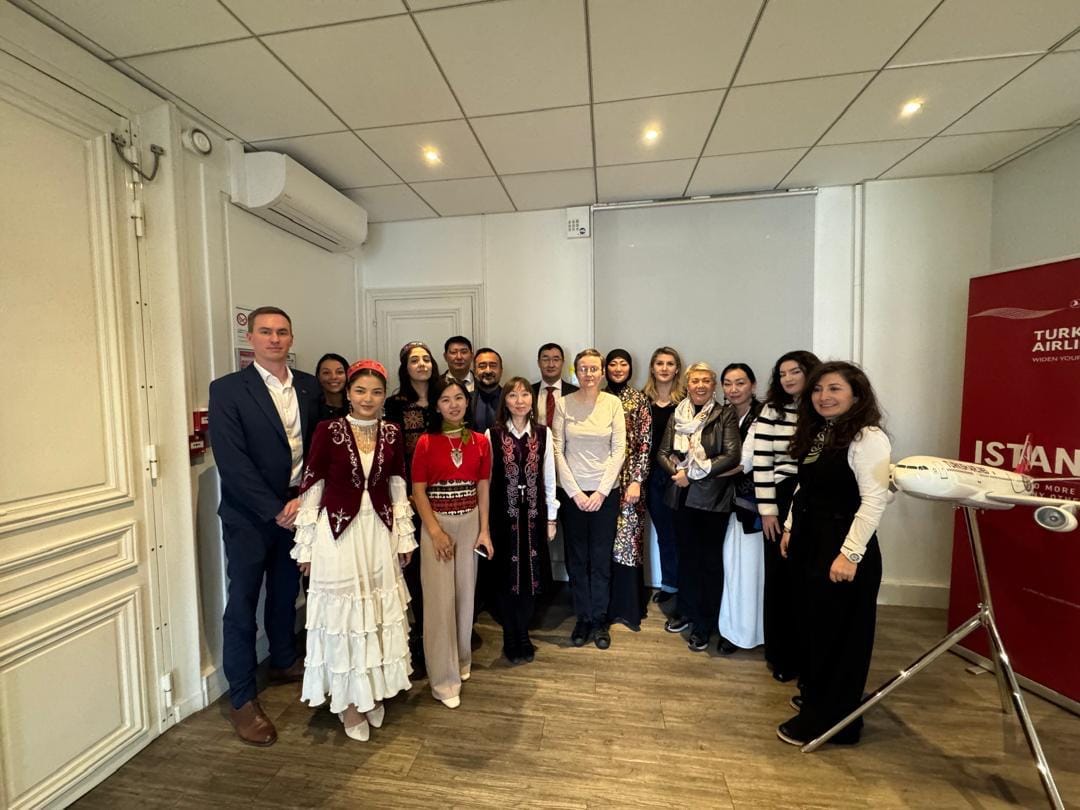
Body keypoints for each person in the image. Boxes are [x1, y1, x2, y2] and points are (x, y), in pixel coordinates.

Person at [208, 306, 320, 746]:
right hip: (250, 517)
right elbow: (232, 461)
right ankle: (241, 698)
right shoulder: (227, 390)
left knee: (285, 591)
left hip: (298, 507)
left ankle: (283, 659)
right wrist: (275, 509)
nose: (275, 339)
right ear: (250, 338)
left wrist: (303, 500)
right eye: (266, 332)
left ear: (291, 338)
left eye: (282, 332)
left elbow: (318, 449)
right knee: (242, 602)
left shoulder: (308, 386)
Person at [290, 360, 415, 742]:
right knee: (345, 619)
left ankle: (370, 691)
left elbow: (397, 484)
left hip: (378, 531)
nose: (368, 399)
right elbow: (313, 484)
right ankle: (348, 703)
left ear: (384, 396)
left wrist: (403, 537)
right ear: (347, 393)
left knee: (374, 614)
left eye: (376, 392)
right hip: (338, 533)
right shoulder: (328, 431)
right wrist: (305, 545)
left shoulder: (392, 432)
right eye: (360, 391)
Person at [776, 361, 891, 746]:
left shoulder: (867, 437)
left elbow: (874, 501)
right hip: (811, 542)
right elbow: (804, 487)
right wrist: (790, 526)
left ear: (856, 395)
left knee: (840, 637)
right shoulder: (822, 432)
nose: (823, 396)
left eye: (834, 389)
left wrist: (850, 555)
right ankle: (817, 700)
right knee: (814, 627)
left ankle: (835, 722)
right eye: (817, 389)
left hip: (841, 546)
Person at [411, 378, 493, 708]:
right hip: (438, 524)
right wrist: (435, 532)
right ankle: (443, 681)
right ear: (436, 405)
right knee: (439, 602)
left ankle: (461, 660)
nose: (454, 404)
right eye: (445, 399)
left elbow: (483, 487)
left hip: (470, 522)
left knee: (464, 597)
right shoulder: (425, 442)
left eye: (459, 397)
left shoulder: (480, 442)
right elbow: (418, 491)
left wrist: (484, 530)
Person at [656, 362, 741, 652]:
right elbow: (663, 452)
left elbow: (731, 456)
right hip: (680, 498)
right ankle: (686, 611)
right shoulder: (678, 414)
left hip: (711, 500)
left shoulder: (724, 414)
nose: (700, 385)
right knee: (686, 558)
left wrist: (690, 474)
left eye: (706, 380)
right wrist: (677, 473)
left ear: (713, 385)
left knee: (709, 563)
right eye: (695, 381)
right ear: (687, 385)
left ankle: (705, 624)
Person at [552, 349, 626, 649]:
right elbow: (557, 449)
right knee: (577, 558)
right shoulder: (563, 403)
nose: (589, 374)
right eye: (583, 369)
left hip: (605, 494)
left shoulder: (613, 403)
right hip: (573, 495)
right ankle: (582, 617)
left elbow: (619, 449)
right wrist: (575, 492)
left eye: (594, 368)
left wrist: (600, 492)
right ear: (576, 372)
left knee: (600, 559)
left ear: (602, 372)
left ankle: (599, 619)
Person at [754, 350, 821, 682]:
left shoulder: (822, 409)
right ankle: (781, 654)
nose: (788, 378)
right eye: (782, 374)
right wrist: (767, 510)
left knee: (809, 579)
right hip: (780, 497)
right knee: (780, 578)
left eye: (795, 371)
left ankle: (809, 653)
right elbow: (762, 461)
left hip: (815, 497)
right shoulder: (773, 409)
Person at [485, 377, 558, 663]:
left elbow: (549, 477)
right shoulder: (492, 435)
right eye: (513, 395)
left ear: (532, 400)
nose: (519, 401)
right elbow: (486, 481)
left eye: (525, 395)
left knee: (530, 578)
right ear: (505, 401)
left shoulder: (543, 433)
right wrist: (485, 525)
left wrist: (551, 518)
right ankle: (509, 634)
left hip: (534, 518)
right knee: (505, 577)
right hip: (503, 519)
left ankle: (524, 632)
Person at [384, 341, 440, 678]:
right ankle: (418, 636)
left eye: (426, 359)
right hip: (411, 497)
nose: (422, 364)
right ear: (405, 368)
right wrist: (403, 494)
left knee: (443, 564)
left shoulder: (446, 396)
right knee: (416, 567)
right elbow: (393, 454)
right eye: (414, 360)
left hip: (448, 494)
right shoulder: (395, 405)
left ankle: (444, 632)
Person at [716, 363, 765, 655]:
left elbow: (742, 463)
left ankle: (749, 632)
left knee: (750, 569)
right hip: (722, 503)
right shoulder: (721, 415)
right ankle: (732, 628)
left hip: (754, 505)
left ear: (753, 385)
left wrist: (699, 473)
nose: (733, 389)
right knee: (730, 566)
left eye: (740, 383)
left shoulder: (764, 416)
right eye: (728, 383)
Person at [604, 349, 652, 631]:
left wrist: (637, 480)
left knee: (629, 542)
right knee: (605, 541)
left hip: (631, 481)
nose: (618, 368)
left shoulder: (639, 399)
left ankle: (628, 608)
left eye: (623, 364)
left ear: (630, 368)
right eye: (613, 364)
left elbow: (645, 443)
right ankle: (606, 606)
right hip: (603, 481)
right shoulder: (598, 396)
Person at [643, 347, 685, 604]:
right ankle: (669, 584)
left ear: (677, 369)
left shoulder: (685, 401)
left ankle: (685, 584)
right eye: (660, 363)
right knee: (665, 532)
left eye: (670, 363)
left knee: (682, 532)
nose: (665, 368)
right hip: (651, 476)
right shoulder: (642, 400)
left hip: (678, 475)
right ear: (652, 367)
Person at [532, 342, 578, 427]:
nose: (551, 365)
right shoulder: (529, 391)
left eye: (556, 360)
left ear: (563, 363)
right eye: (545, 360)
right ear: (538, 363)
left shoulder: (576, 392)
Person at [471, 347, 503, 433]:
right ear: (474, 371)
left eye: (493, 366)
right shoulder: (466, 400)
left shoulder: (510, 399)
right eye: (482, 366)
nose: (488, 371)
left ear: (501, 371)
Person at [314, 352, 349, 422]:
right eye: (326, 373)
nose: (333, 377)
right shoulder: (310, 409)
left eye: (339, 372)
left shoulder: (357, 406)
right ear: (318, 376)